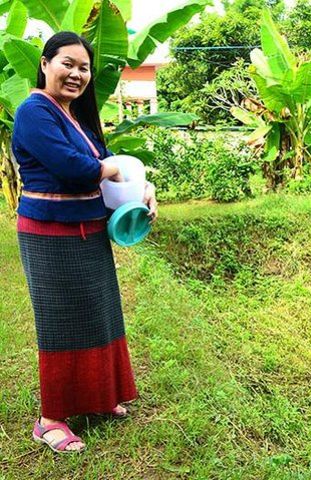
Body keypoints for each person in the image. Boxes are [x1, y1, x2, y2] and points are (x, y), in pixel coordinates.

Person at [12, 31, 157, 453]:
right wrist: (111, 168)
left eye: (84, 67)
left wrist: (143, 190)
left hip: (88, 230)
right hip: (50, 233)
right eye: (67, 63)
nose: (77, 74)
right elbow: (76, 169)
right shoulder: (33, 111)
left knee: (98, 313)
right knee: (60, 323)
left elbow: (109, 171)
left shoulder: (75, 116)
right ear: (45, 63)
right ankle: (50, 419)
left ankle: (96, 399)